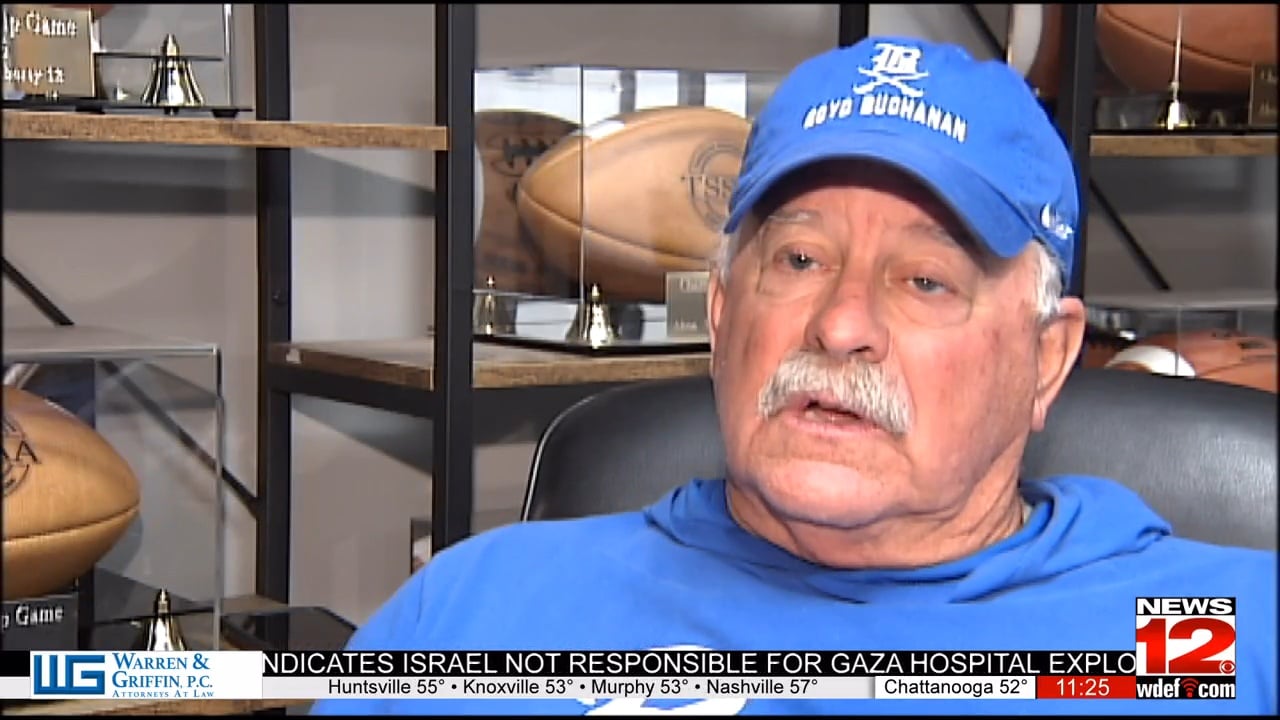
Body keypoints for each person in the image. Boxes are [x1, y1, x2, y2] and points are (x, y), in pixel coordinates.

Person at [312, 36, 1276, 716]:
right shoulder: (474, 613)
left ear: (1046, 358)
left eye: (926, 279)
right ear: (722, 314)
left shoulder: (1221, 641)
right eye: (801, 260)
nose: (842, 324)